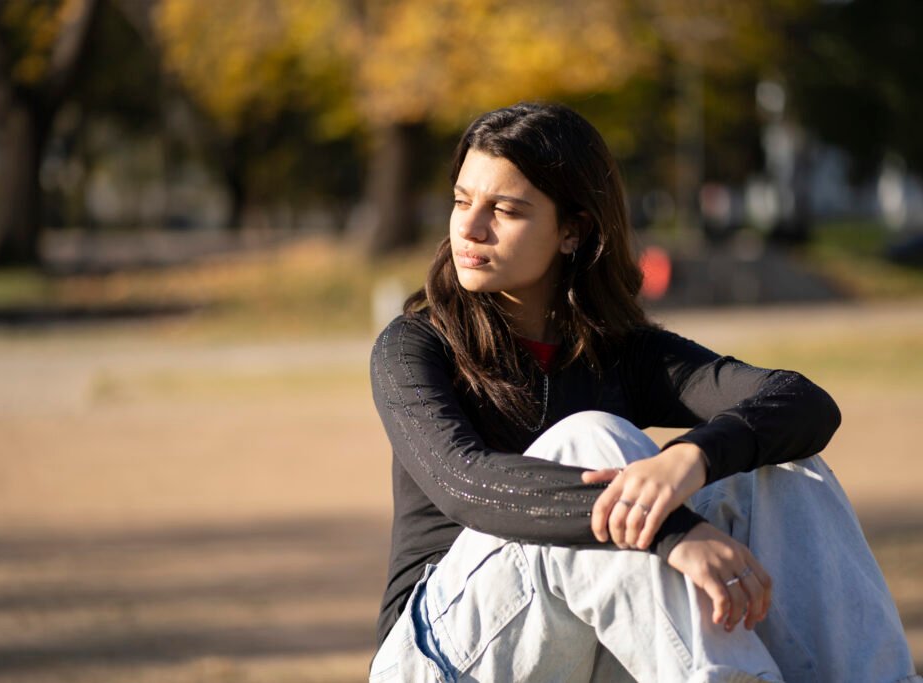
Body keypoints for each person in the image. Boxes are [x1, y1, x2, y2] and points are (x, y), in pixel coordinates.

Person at [368, 102, 919, 682]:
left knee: (782, 472)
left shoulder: (622, 352)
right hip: (440, 655)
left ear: (572, 231)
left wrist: (691, 459)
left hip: (582, 649)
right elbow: (467, 484)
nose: (470, 228)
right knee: (591, 439)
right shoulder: (414, 346)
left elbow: (804, 404)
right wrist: (671, 530)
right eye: (462, 200)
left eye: (505, 209)